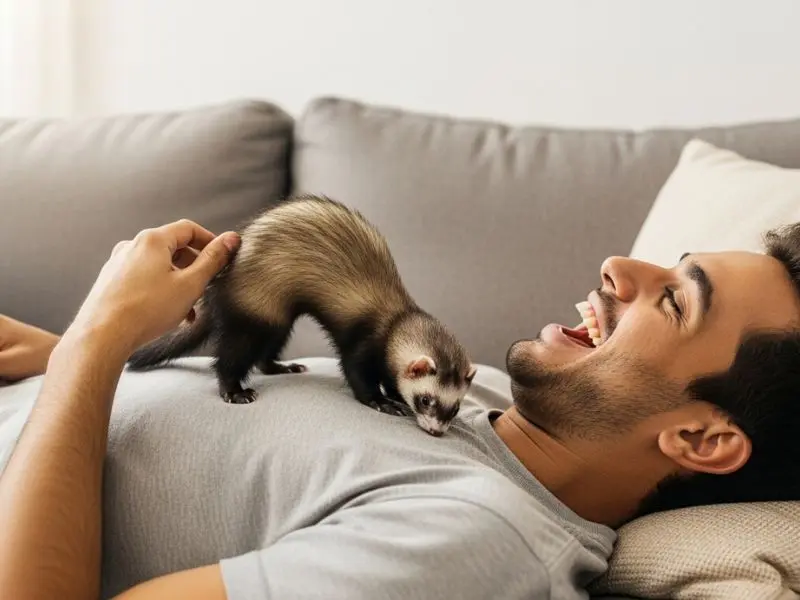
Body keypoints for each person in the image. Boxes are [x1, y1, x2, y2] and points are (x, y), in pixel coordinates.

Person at [1, 217, 799, 600]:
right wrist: (62, 358)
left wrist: (96, 338)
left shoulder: (473, 545)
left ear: (700, 438)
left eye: (674, 302)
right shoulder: (476, 392)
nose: (619, 265)